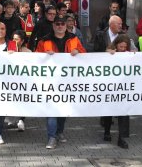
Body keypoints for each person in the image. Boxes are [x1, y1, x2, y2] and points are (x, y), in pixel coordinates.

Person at [36, 14, 86, 149]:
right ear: (53, 25)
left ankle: (59, 132)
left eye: (62, 24)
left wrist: (78, 52)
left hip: (67, 82)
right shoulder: (44, 41)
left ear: (66, 26)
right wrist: (44, 56)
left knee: (63, 109)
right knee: (52, 110)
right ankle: (51, 137)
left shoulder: (74, 39)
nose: (59, 26)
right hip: (50, 82)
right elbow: (35, 59)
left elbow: (85, 56)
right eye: (57, 24)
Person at [102, 34, 132, 149]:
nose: (123, 49)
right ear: (116, 45)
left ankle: (122, 138)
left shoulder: (128, 54)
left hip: (124, 87)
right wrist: (109, 53)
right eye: (121, 47)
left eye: (125, 47)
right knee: (109, 111)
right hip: (111, 87)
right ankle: (107, 131)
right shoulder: (110, 52)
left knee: (124, 113)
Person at [11, 30, 31, 132]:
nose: (14, 41)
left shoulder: (28, 52)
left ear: (22, 41)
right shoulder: (8, 50)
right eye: (13, 38)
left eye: (16, 39)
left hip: (23, 81)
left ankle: (21, 120)